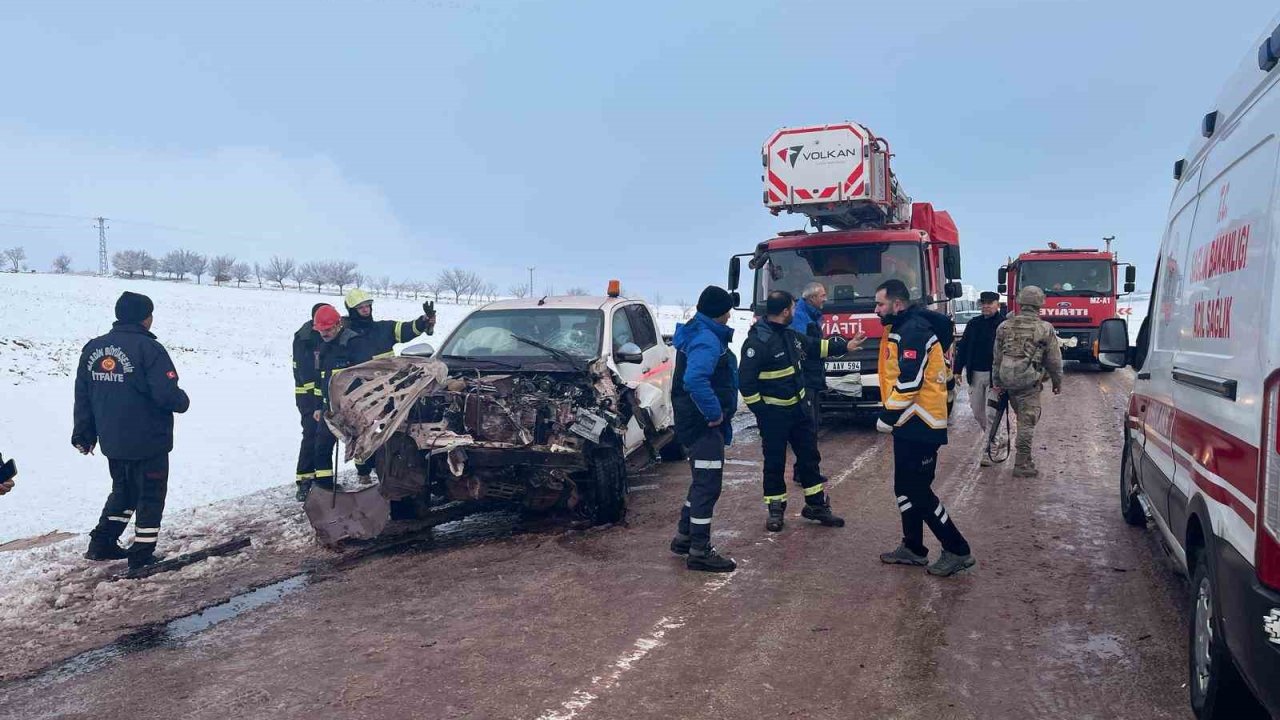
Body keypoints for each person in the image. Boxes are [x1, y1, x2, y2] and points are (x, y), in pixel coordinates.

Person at [73, 292, 190, 570]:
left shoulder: (93, 349)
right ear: (145, 317)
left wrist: (83, 433)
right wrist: (182, 400)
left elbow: (83, 394)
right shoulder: (149, 349)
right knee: (150, 495)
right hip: (148, 440)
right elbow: (165, 394)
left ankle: (102, 542)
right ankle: (142, 555)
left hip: (113, 440)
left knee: (124, 491)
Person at [873, 279, 975, 577]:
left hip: (921, 422)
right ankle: (913, 548)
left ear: (897, 304)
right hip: (909, 422)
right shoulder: (901, 327)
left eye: (880, 304)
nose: (876, 309)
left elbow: (910, 382)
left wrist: (887, 415)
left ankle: (958, 550)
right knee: (903, 488)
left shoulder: (913, 330)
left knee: (918, 490)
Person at [739, 290, 852, 533]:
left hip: (799, 411)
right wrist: (763, 412)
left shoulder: (790, 335)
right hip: (774, 416)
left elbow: (815, 347)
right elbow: (746, 384)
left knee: (810, 458)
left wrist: (846, 345)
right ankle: (775, 510)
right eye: (792, 307)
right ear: (785, 311)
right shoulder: (757, 342)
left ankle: (816, 506)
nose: (795, 310)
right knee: (775, 463)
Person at [668, 286, 740, 573]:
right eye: (728, 310)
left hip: (693, 420)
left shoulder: (697, 330)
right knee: (708, 485)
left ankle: (684, 538)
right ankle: (699, 551)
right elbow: (695, 379)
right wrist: (714, 414)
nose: (730, 314)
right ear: (721, 312)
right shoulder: (707, 339)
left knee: (701, 480)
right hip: (702, 423)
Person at [342, 289, 437, 482]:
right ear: (352, 310)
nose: (366, 310)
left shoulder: (383, 329)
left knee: (391, 429)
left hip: (388, 392)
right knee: (361, 431)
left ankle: (385, 466)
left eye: (368, 306)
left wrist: (424, 321)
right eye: (361, 307)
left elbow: (408, 329)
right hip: (361, 394)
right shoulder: (346, 336)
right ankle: (363, 471)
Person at [991, 285, 1064, 478]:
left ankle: (1025, 459)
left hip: (1008, 380)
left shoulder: (1004, 326)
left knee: (1022, 417)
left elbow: (997, 358)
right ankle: (1022, 463)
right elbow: (1054, 360)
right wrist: (1057, 382)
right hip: (1028, 382)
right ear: (1040, 304)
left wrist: (997, 382)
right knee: (1027, 422)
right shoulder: (1044, 328)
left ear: (1021, 302)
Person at [953, 291, 1005, 465]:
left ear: (998, 304)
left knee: (991, 414)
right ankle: (998, 436)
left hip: (996, 377)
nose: (986, 306)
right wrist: (957, 370)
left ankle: (989, 450)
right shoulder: (974, 324)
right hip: (975, 374)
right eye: (983, 303)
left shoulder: (1004, 325)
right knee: (978, 413)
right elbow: (964, 347)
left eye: (990, 303)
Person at [312, 305, 358, 491]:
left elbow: (364, 375)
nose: (325, 333)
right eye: (321, 330)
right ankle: (324, 488)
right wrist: (318, 406)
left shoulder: (354, 343)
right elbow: (319, 380)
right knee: (321, 448)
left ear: (339, 324)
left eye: (328, 329)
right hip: (328, 409)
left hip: (352, 408)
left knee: (362, 447)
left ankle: (372, 480)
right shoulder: (322, 347)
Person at [292, 303, 329, 501]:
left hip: (321, 394)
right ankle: (304, 480)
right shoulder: (304, 339)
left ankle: (323, 481)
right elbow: (307, 374)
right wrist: (316, 404)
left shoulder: (327, 334)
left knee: (323, 435)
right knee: (311, 434)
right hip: (307, 396)